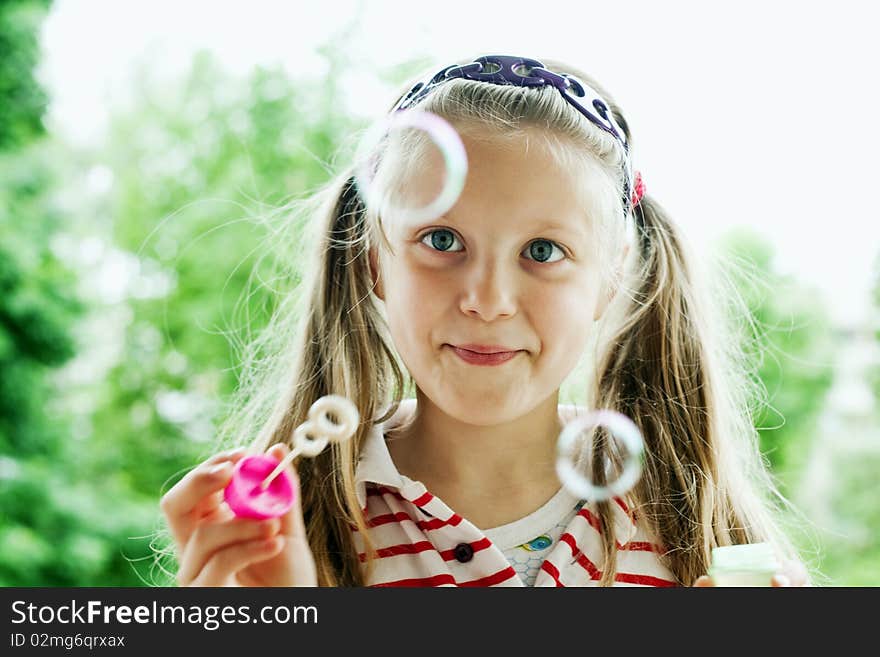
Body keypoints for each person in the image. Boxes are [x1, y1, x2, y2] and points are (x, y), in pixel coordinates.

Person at [159, 54, 811, 587]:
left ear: (610, 276)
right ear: (373, 261)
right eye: (442, 241)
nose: (488, 299)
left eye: (543, 251)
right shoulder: (296, 533)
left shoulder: (697, 537)